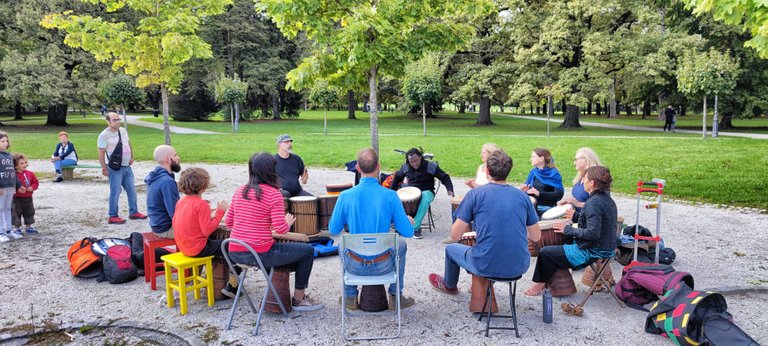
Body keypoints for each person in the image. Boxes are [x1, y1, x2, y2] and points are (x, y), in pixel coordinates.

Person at [429, 150, 541, 294]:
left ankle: (449, 285)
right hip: (519, 266)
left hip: (485, 264)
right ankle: (482, 285)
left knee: (451, 250)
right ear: (509, 171)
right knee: (494, 251)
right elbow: (536, 237)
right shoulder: (523, 197)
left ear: (487, 170)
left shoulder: (475, 194)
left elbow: (455, 235)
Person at [226, 153, 324, 311]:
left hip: (235, 252)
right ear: (271, 170)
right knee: (307, 251)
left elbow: (229, 222)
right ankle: (299, 299)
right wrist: (288, 222)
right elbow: (281, 230)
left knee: (288, 253)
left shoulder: (240, 191)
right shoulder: (273, 195)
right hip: (259, 253)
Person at [329, 148, 416, 310]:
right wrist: (408, 222)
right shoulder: (390, 196)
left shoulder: (345, 196)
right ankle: (395, 296)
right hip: (384, 265)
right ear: (378, 166)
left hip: (354, 264)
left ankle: (350, 295)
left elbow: (333, 229)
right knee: (401, 244)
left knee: (342, 243)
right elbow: (408, 233)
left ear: (357, 168)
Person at [525, 166, 618, 296]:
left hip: (593, 251)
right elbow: (599, 224)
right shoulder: (607, 199)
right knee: (561, 242)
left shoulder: (593, 203)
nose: (583, 182)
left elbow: (593, 233)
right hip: (605, 246)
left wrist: (567, 229)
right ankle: (551, 281)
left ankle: (540, 283)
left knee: (545, 252)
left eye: (584, 179)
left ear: (592, 183)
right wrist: (575, 216)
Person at [172, 167, 240, 298]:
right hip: (198, 249)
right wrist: (220, 212)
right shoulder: (200, 204)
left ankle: (228, 281)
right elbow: (207, 230)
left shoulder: (181, 201)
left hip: (184, 246)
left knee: (221, 244)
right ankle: (233, 284)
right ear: (203, 187)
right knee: (232, 246)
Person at [390, 147, 454, 238]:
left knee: (425, 197)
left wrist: (449, 189)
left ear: (420, 157)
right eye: (411, 162)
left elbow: (444, 177)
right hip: (410, 191)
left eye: (415, 161)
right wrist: (392, 191)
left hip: (427, 191)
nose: (414, 164)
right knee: (398, 196)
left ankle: (414, 227)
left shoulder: (430, 166)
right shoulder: (406, 166)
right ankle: (402, 225)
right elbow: (397, 177)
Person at [98, 112, 147, 224]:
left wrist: (132, 157)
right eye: (114, 120)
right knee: (115, 191)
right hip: (115, 168)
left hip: (126, 166)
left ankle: (134, 212)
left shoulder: (123, 131)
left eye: (118, 119)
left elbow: (128, 144)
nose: (117, 121)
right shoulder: (104, 135)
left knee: (132, 190)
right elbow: (101, 152)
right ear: (108, 121)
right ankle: (113, 216)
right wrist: (104, 168)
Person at [145, 145, 181, 238]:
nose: (178, 158)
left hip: (157, 224)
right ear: (168, 159)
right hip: (166, 228)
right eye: (175, 155)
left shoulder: (156, 175)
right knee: (203, 230)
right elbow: (174, 213)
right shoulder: (167, 182)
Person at [558, 147, 602, 218]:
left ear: (586, 160)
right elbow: (578, 199)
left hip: (589, 220)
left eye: (576, 159)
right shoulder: (580, 177)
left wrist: (578, 204)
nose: (574, 162)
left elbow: (600, 205)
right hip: (578, 218)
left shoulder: (596, 179)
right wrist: (570, 202)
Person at [521, 148, 564, 214]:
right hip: (532, 207)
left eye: (533, 157)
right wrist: (525, 191)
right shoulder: (533, 172)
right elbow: (529, 194)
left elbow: (559, 195)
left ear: (541, 159)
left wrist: (539, 194)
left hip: (546, 208)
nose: (530, 159)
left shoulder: (553, 173)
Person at [12, 154, 39, 237]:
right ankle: (17, 228)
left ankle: (29, 227)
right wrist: (17, 189)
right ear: (15, 166)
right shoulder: (13, 175)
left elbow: (35, 182)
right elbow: (11, 185)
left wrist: (32, 187)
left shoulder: (30, 174)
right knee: (16, 213)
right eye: (21, 163)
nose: (24, 165)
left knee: (29, 212)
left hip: (28, 197)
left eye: (25, 162)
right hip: (17, 198)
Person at [0, 131, 16, 243]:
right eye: (2, 141)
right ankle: (1, 232)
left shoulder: (9, 156)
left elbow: (13, 172)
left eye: (6, 141)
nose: (5, 143)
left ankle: (9, 230)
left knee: (7, 208)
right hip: (1, 187)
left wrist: (17, 185)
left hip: (10, 186)